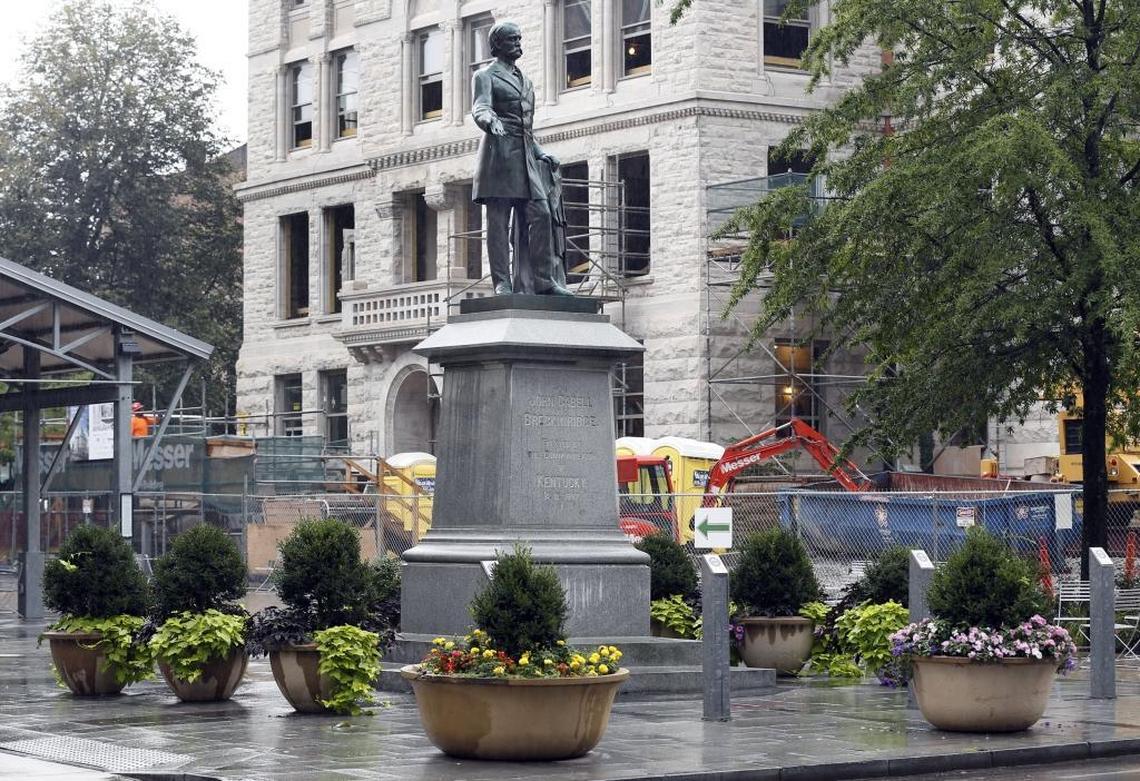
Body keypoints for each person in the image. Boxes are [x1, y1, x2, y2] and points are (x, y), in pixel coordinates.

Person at [471, 21, 573, 297]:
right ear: (497, 45)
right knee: (498, 223)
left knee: (540, 214)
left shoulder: (525, 81)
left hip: (527, 159)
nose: (518, 43)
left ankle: (544, 281)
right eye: (512, 39)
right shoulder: (485, 75)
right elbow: (480, 106)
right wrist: (489, 120)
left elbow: (526, 127)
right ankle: (501, 282)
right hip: (499, 158)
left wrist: (541, 153)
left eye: (519, 38)